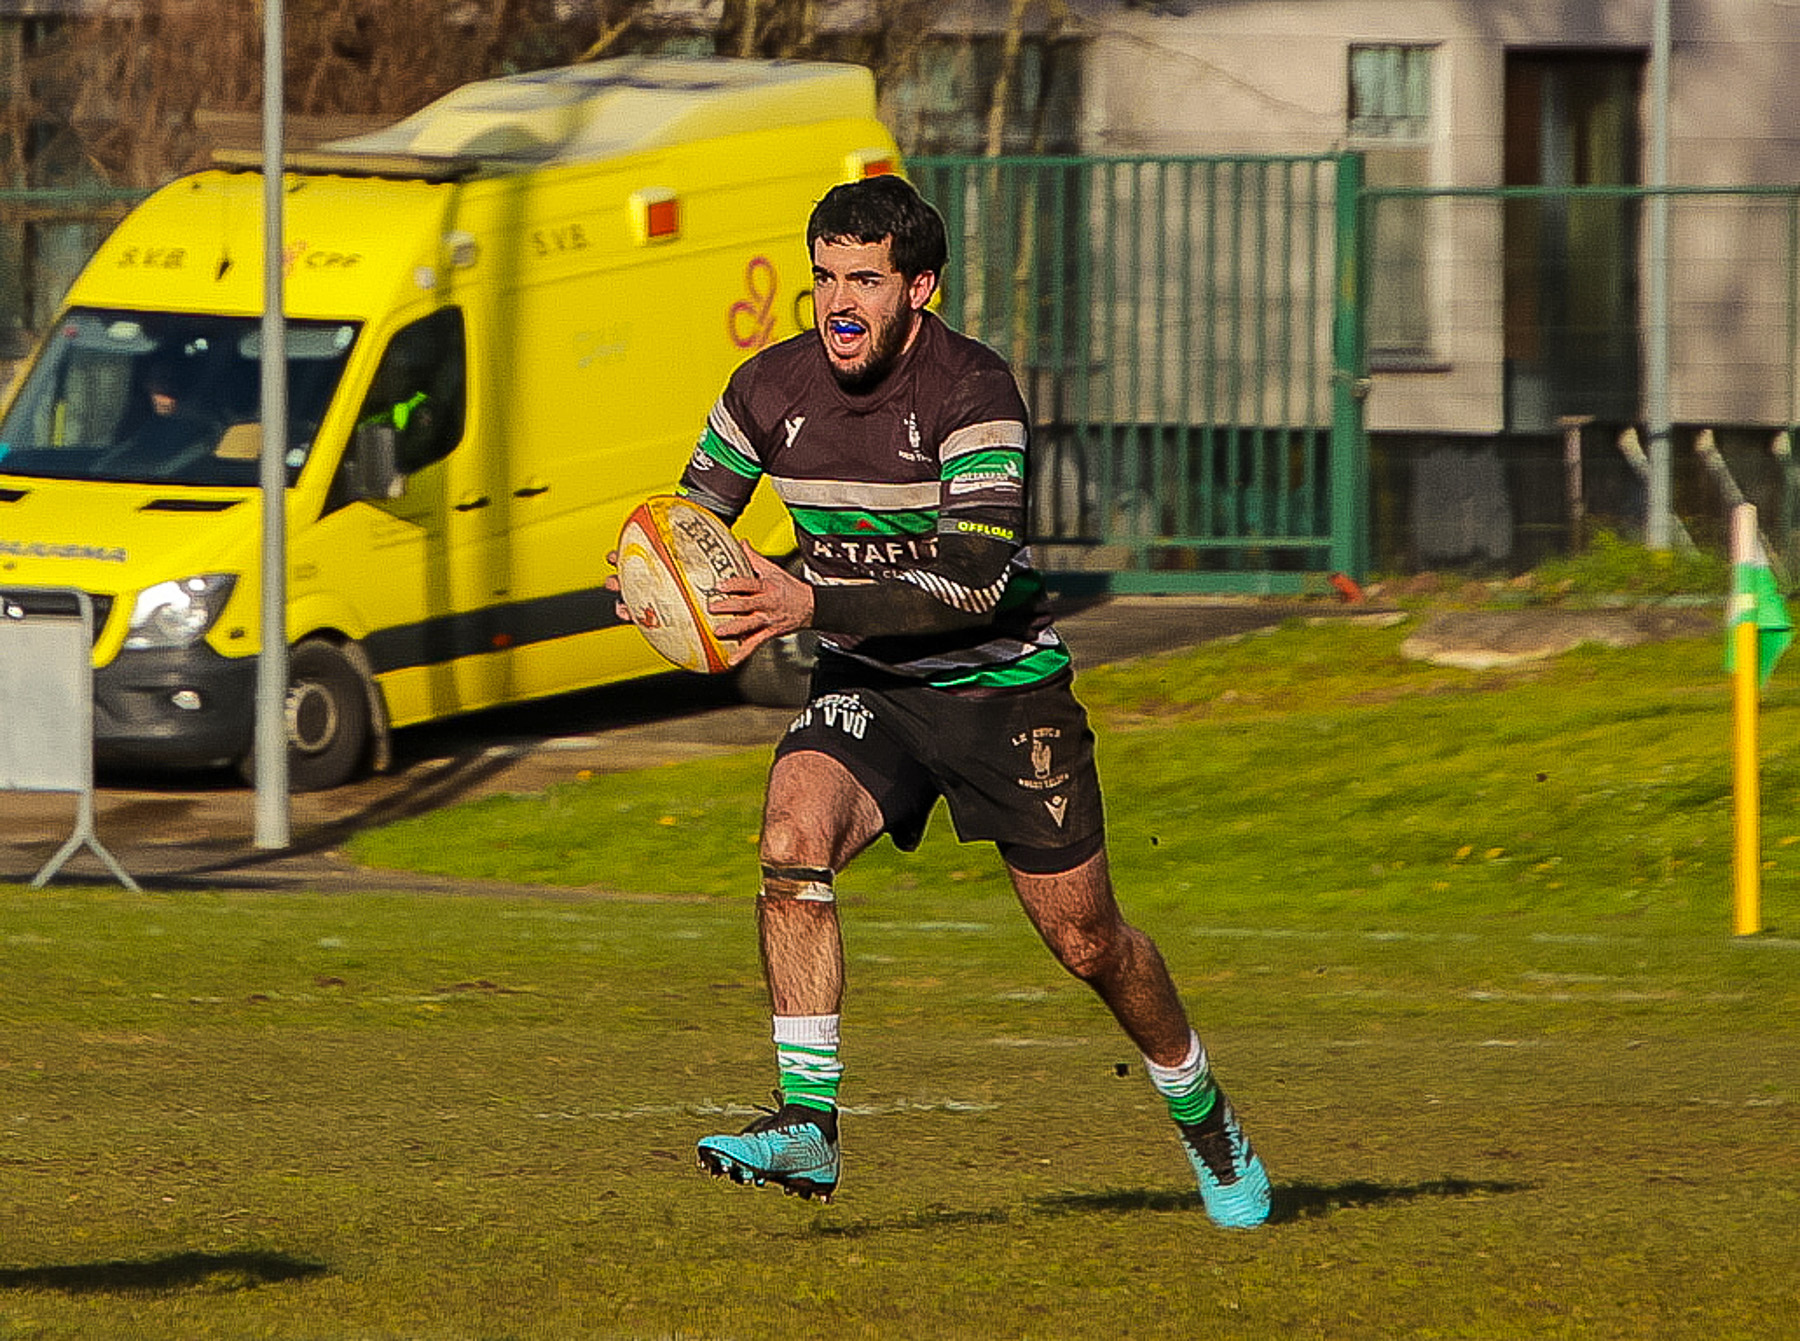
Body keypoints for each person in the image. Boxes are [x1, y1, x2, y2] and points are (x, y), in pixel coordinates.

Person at [624, 174, 1270, 1229]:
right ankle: (808, 1127)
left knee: (1087, 942)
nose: (839, 304)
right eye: (826, 277)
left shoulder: (975, 392)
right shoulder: (766, 389)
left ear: (918, 288)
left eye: (866, 281)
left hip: (1003, 697)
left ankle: (1201, 1108)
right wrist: (653, 583)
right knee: (792, 837)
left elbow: (975, 578)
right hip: (870, 689)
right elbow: (690, 520)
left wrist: (806, 596)